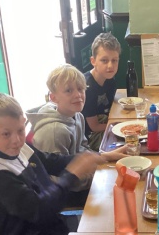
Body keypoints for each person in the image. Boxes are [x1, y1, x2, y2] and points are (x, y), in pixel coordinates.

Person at [0, 93, 104, 235]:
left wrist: (98, 157)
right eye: (6, 134)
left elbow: (51, 161)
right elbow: (40, 210)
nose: (16, 140)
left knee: (104, 228)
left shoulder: (18, 147)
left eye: (20, 130)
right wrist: (72, 175)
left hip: (55, 227)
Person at [26, 64, 129, 206]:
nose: (78, 95)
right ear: (53, 97)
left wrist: (105, 157)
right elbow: (55, 179)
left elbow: (83, 149)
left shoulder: (78, 115)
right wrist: (98, 176)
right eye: (68, 90)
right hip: (63, 193)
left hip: (80, 181)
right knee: (117, 193)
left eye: (80, 89)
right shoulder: (54, 131)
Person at [82, 32, 121, 151]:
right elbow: (94, 126)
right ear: (93, 61)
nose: (110, 66)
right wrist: (120, 126)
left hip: (104, 124)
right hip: (89, 138)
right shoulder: (87, 88)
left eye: (114, 60)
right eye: (104, 60)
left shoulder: (109, 79)